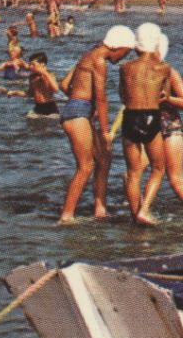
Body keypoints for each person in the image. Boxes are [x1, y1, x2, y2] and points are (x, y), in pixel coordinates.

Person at [58, 24, 136, 223]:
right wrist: (105, 132)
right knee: (86, 165)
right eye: (125, 53)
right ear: (117, 47)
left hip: (76, 110)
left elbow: (64, 85)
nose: (123, 58)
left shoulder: (88, 55)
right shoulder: (99, 60)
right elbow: (101, 99)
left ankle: (99, 209)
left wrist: (78, 100)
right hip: (77, 114)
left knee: (104, 159)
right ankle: (66, 216)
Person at [118, 22, 172, 225]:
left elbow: (123, 96)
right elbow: (164, 94)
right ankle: (145, 209)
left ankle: (135, 217)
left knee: (133, 172)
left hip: (130, 116)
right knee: (158, 168)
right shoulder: (163, 68)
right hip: (151, 116)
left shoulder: (125, 68)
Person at [153, 28, 183, 208]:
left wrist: (168, 98)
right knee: (133, 174)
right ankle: (139, 212)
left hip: (169, 125)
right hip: (145, 125)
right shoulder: (137, 71)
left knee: (176, 180)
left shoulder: (170, 72)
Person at [24, 51, 61, 118]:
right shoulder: (32, 77)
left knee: (49, 125)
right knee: (29, 121)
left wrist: (45, 73)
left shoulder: (50, 75)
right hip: (38, 107)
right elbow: (30, 93)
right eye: (30, 64)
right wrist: (15, 92)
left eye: (33, 64)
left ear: (42, 64)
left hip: (50, 107)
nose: (30, 67)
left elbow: (56, 89)